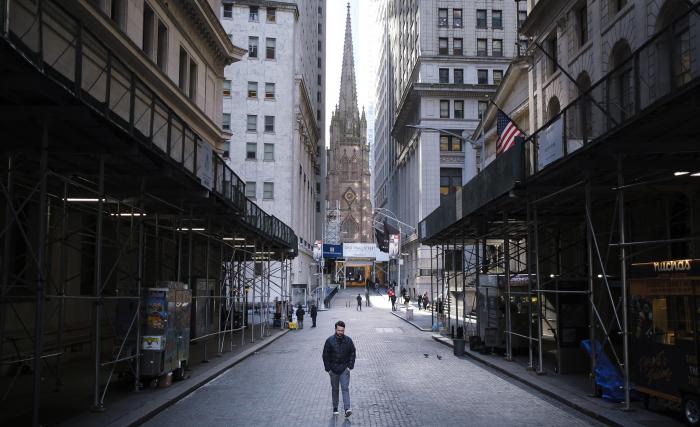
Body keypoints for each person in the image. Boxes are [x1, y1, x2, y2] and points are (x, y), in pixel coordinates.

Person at [322, 320, 356, 418]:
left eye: (342, 330)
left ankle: (347, 409)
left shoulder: (348, 340)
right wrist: (328, 369)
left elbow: (353, 352)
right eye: (339, 330)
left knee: (345, 388)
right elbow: (325, 355)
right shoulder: (329, 341)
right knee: (335, 389)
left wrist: (350, 367)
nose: (340, 332)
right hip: (333, 370)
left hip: (344, 369)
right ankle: (335, 407)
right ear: (335, 329)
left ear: (344, 330)